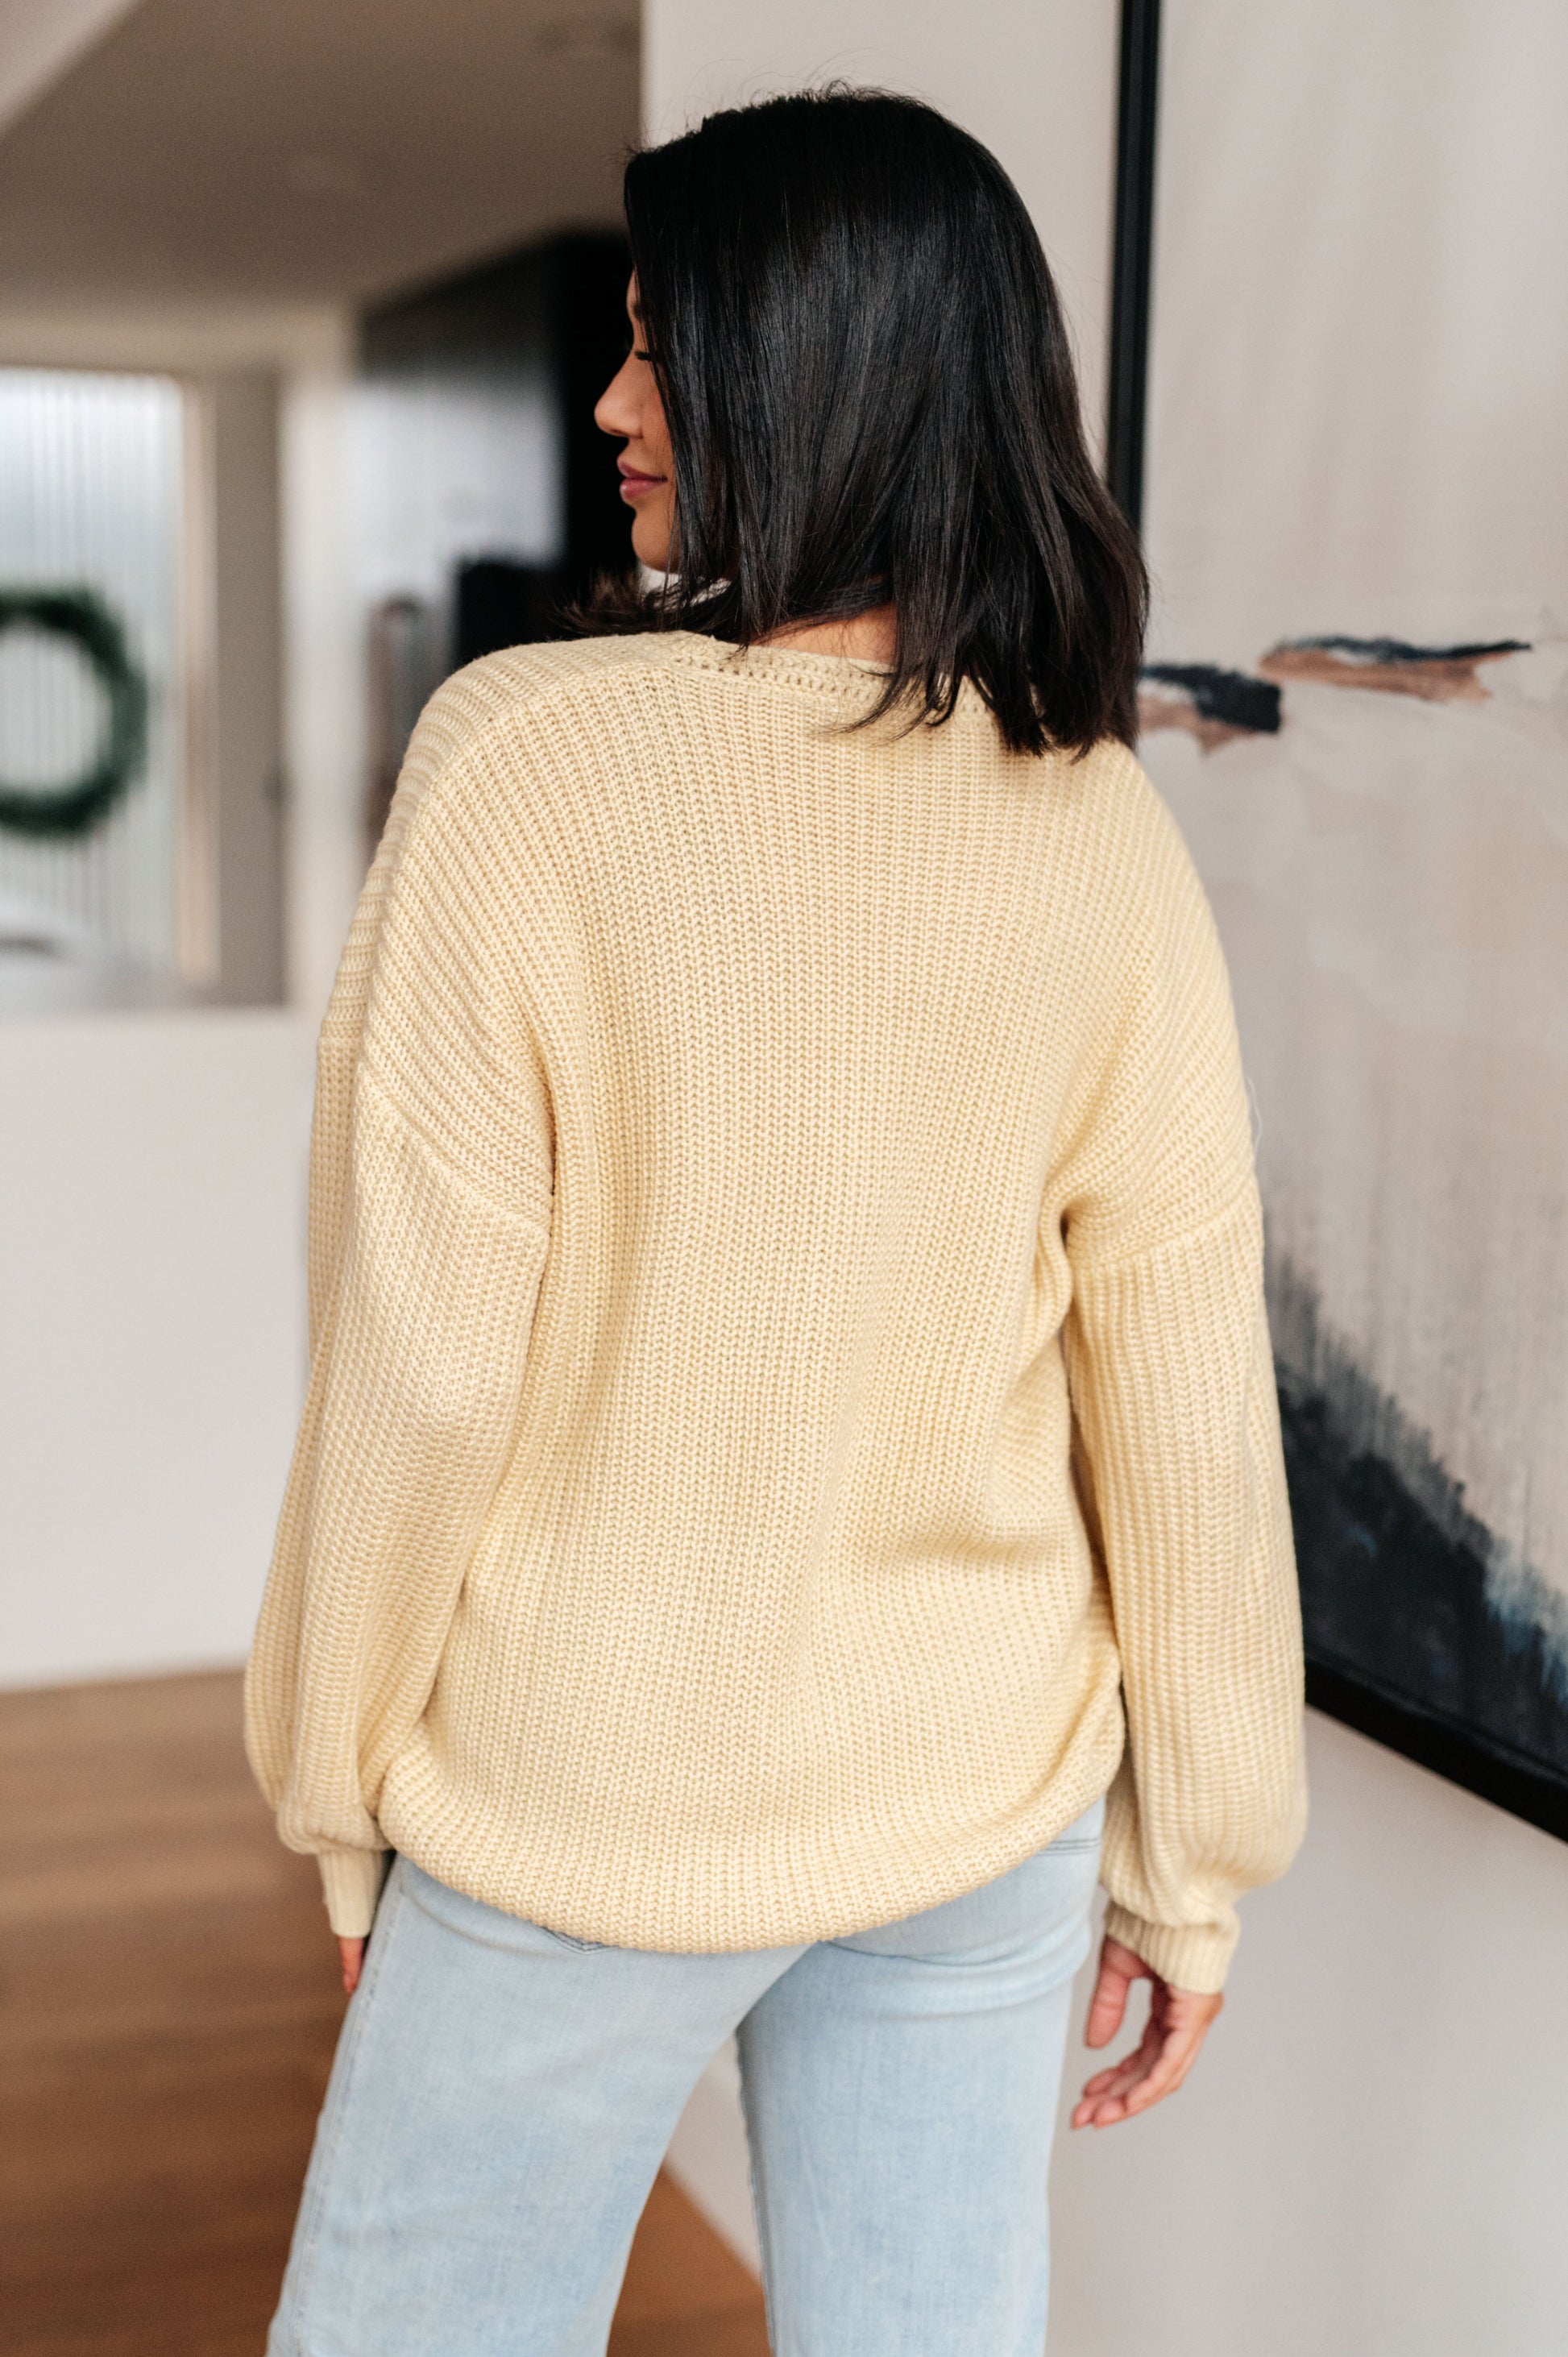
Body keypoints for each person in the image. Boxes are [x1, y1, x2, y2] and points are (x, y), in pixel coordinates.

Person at [245, 86, 1306, 2357]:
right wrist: (1190, 1869)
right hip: (977, 1809)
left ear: (812, 374)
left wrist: (339, 1788)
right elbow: (1181, 1384)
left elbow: (424, 1359)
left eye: (661, 348)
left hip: (579, 1809)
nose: (613, 403)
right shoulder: (1095, 819)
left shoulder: (529, 760)